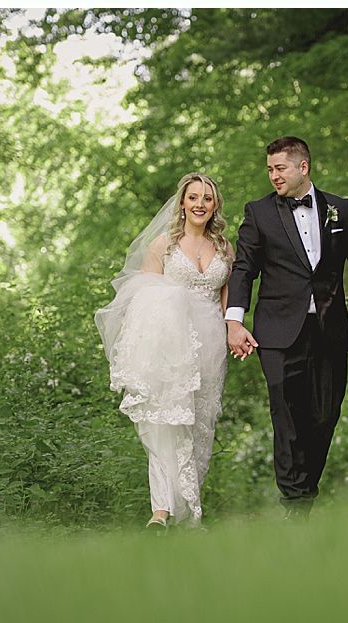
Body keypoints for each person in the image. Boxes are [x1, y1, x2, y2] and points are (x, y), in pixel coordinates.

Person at [225, 136, 348, 519]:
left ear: (303, 167)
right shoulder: (258, 213)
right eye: (269, 170)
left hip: (329, 330)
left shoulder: (341, 210)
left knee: (324, 415)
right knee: (287, 415)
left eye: (279, 168)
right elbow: (244, 269)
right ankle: (295, 503)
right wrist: (234, 321)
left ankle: (305, 492)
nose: (273, 176)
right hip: (277, 333)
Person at [95, 173, 233, 530]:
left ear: (215, 205)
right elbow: (140, 297)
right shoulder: (164, 246)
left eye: (207, 198)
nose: (200, 204)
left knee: (201, 427)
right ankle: (161, 512)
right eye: (193, 197)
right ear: (182, 203)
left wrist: (232, 330)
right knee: (166, 423)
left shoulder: (224, 248)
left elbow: (225, 299)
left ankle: (188, 511)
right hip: (172, 345)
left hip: (212, 346)